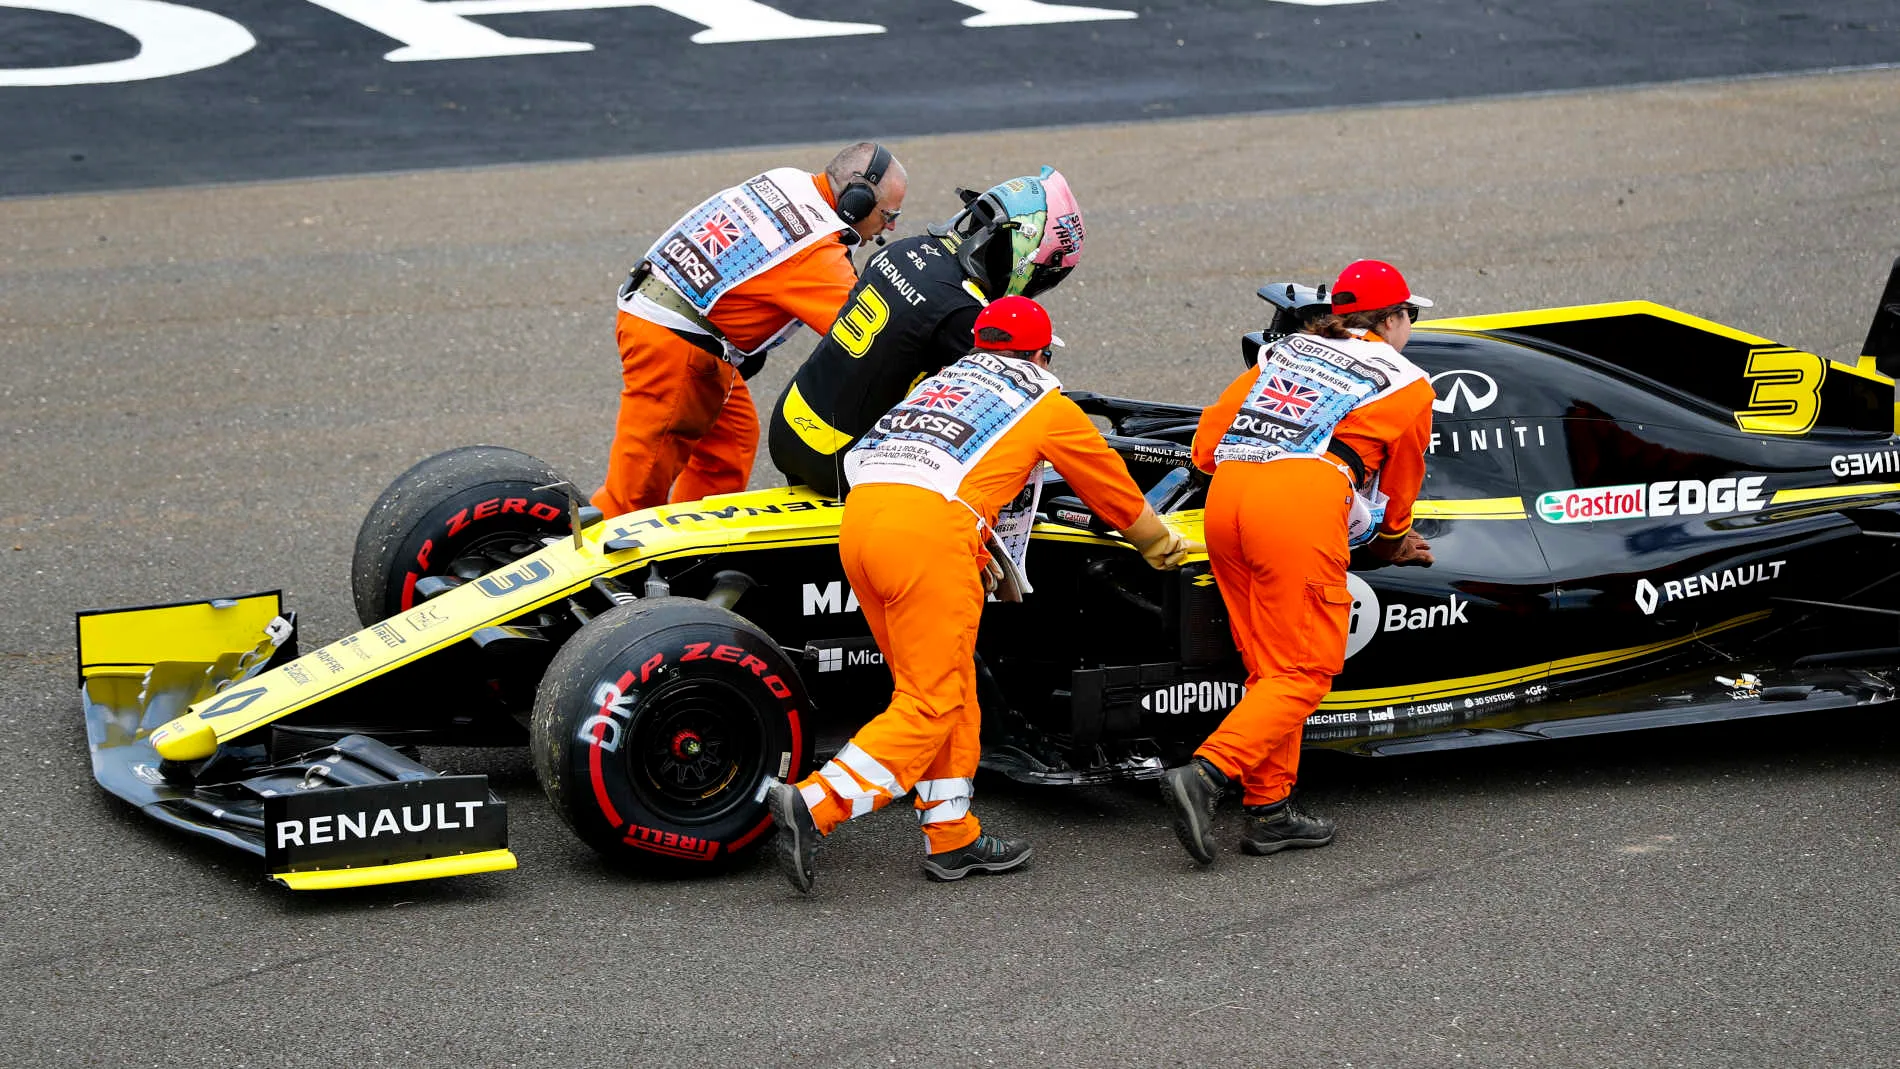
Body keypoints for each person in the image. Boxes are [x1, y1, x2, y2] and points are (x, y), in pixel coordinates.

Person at [766, 296, 1200, 892]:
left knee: (946, 688)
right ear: (1042, 354)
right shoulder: (1043, 399)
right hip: (927, 539)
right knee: (931, 702)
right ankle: (816, 805)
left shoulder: (940, 384)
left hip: (862, 528)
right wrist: (1156, 542)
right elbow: (1109, 487)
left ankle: (952, 837)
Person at [1159, 259, 1437, 865]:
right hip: (1298, 504)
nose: (1409, 328)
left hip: (1227, 499)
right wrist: (1394, 543)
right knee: (1304, 670)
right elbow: (1398, 497)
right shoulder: (1409, 384)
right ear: (1391, 319)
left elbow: (1206, 446)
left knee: (1269, 667)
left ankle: (1271, 811)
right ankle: (1206, 775)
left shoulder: (1286, 352)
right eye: (1409, 316)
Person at [591, 142, 908, 518]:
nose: (890, 226)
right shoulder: (815, 250)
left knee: (730, 442)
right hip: (675, 347)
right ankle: (602, 566)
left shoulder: (787, 180)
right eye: (889, 214)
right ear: (855, 201)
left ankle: (695, 546)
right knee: (635, 493)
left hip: (669, 315)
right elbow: (871, 335)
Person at [767, 167, 1084, 499]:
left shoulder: (904, 249)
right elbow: (1014, 409)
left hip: (789, 424)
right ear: (1024, 253)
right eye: (1048, 273)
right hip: (838, 462)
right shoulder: (965, 312)